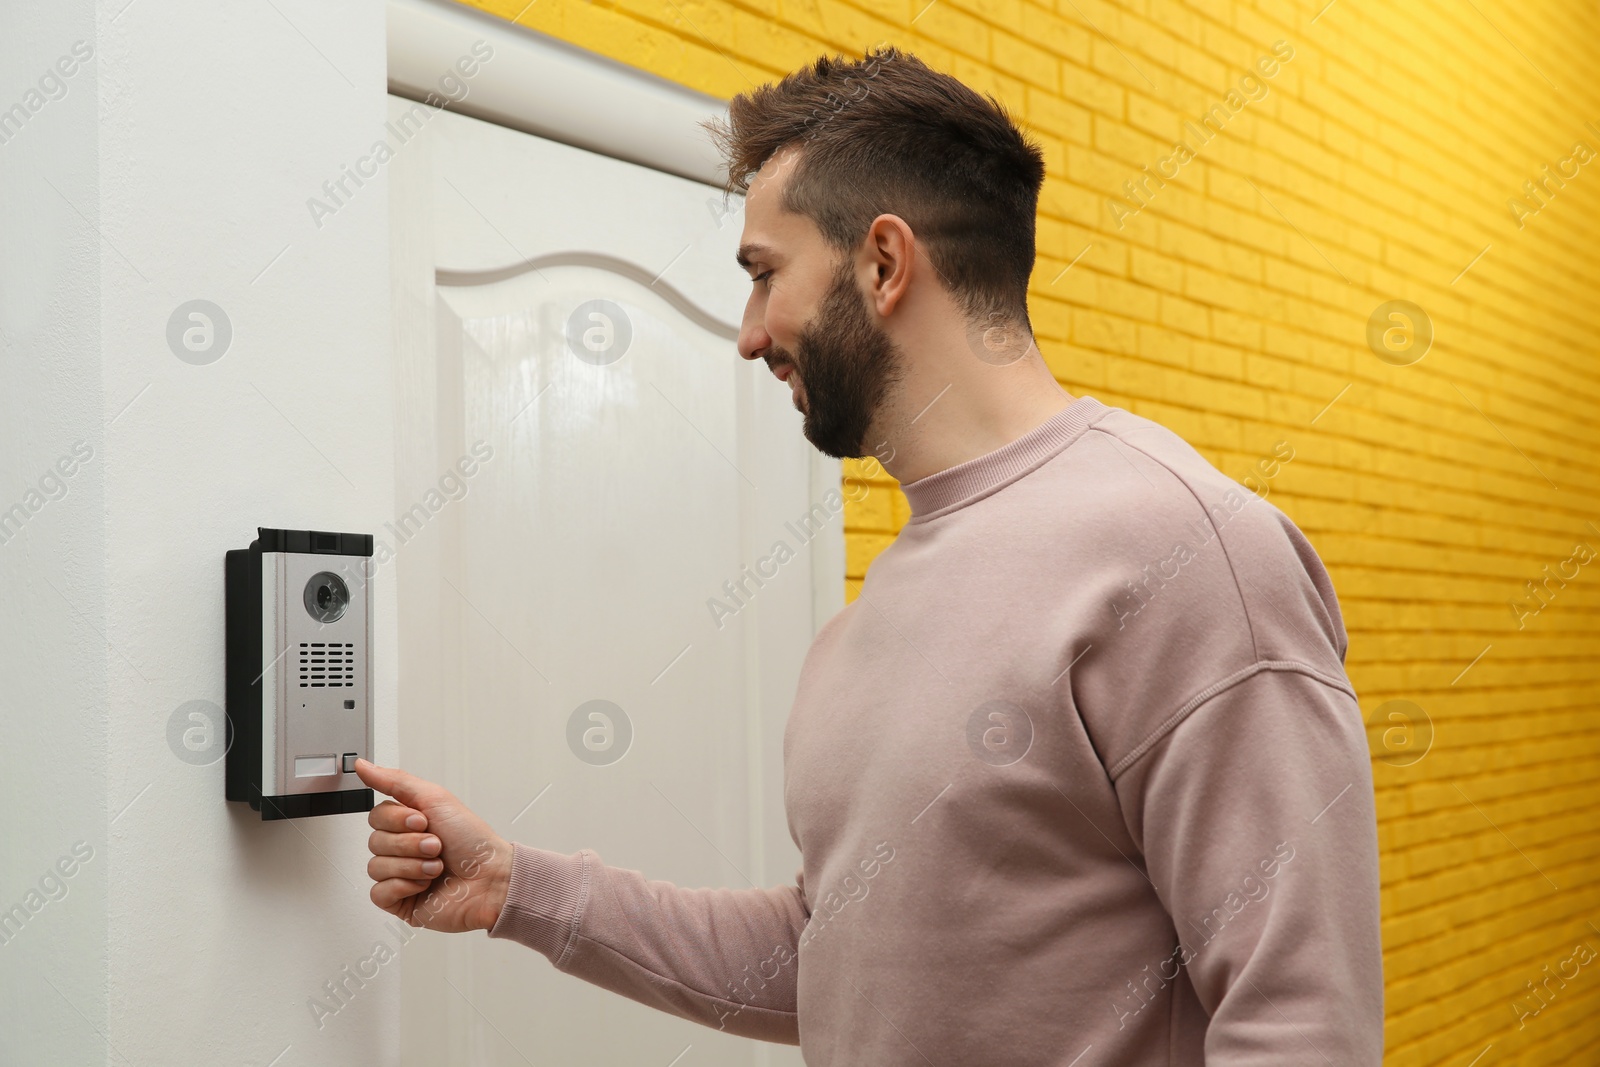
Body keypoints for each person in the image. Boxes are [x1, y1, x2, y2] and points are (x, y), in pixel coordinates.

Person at [358, 45, 1384, 1065]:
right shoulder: (884, 600)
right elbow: (827, 955)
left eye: (764, 276)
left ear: (883, 263)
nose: (751, 335)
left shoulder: (1186, 553)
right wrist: (517, 886)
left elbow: (1302, 1022)